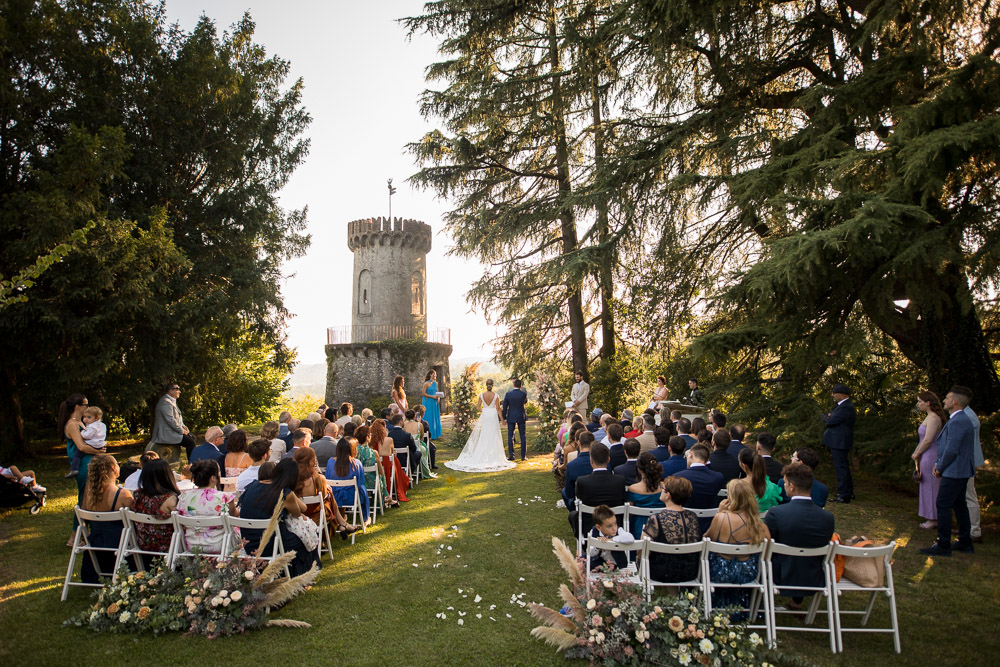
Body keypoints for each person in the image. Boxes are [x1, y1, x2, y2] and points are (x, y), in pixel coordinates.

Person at [763, 462, 835, 608]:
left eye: (785, 483)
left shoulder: (776, 513)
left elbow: (766, 545)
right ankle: (797, 602)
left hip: (778, 575)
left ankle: (759, 603)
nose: (784, 486)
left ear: (792, 486)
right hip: (813, 576)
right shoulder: (827, 517)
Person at [920, 386, 977, 557]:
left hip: (955, 470)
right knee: (960, 505)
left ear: (955, 401)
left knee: (943, 504)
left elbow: (952, 449)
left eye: (947, 397)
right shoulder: (958, 419)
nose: (944, 400)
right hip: (958, 470)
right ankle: (965, 542)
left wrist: (939, 466)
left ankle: (943, 544)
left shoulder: (959, 420)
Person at [238, 459, 321, 576]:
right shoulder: (284, 493)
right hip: (272, 543)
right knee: (303, 538)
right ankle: (303, 574)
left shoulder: (252, 486)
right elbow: (300, 511)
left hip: (248, 542)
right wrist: (290, 492)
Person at [705, 479, 771, 617]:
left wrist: (720, 512)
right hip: (749, 573)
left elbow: (706, 540)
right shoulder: (759, 525)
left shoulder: (721, 518)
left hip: (720, 572)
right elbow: (767, 552)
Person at [79, 454, 133, 583]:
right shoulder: (123, 494)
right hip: (120, 548)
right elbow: (133, 521)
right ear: (113, 468)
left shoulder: (89, 494)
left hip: (96, 546)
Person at [445, 379, 516, 473]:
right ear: (493, 385)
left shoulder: (482, 395)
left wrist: (484, 410)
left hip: (486, 415)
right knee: (493, 435)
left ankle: (484, 453)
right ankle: (493, 455)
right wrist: (502, 420)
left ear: (486, 385)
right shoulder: (496, 395)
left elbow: (478, 407)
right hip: (493, 416)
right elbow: (498, 409)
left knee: (485, 434)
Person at [59, 393, 103, 541]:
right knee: (83, 501)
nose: (88, 407)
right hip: (83, 466)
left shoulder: (81, 423)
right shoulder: (72, 424)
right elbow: (82, 447)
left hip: (89, 464)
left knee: (89, 500)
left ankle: (84, 534)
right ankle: (74, 537)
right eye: (86, 404)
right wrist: (99, 451)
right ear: (78, 407)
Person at [642, 476, 702, 583]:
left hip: (661, 573)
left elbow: (643, 551)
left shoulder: (655, 518)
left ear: (668, 495)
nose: (660, 490)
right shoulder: (693, 517)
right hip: (689, 572)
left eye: (662, 488)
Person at [295, 446, 358, 539]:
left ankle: (342, 524)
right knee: (329, 497)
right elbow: (324, 498)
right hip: (316, 516)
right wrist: (328, 490)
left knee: (329, 495)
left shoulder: (292, 479)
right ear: (312, 461)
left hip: (298, 514)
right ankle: (342, 524)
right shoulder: (319, 479)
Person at [177, 460, 238, 555]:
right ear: (213, 478)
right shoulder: (224, 497)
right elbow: (234, 517)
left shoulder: (183, 497)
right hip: (219, 544)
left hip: (191, 544)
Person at [569, 443, 627, 535]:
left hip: (590, 525)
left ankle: (584, 544)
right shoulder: (620, 481)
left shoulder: (582, 481)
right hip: (614, 525)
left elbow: (579, 499)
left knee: (573, 515)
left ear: (591, 460)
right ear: (608, 460)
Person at [130, 458, 179, 566]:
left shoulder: (138, 495)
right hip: (169, 548)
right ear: (167, 476)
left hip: (144, 545)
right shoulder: (170, 499)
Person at [913, 390, 945, 530]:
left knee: (932, 486)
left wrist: (917, 453)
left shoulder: (933, 418)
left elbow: (928, 439)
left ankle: (934, 518)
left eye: (920, 401)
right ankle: (929, 515)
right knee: (926, 485)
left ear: (928, 403)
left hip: (931, 454)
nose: (918, 404)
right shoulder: (928, 417)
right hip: (925, 454)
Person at [674, 444, 725, 533]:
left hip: (684, 524)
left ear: (690, 455)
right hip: (709, 524)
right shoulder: (718, 477)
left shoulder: (678, 477)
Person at [823, 383, 856, 503]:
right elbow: (826, 417)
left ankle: (844, 494)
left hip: (840, 442)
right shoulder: (839, 406)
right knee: (842, 466)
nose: (833, 395)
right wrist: (828, 417)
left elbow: (830, 421)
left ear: (842, 395)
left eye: (834, 393)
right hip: (837, 441)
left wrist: (828, 418)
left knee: (841, 467)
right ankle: (848, 491)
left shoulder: (846, 407)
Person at [325, 438, 371, 524]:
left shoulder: (330, 462)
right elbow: (360, 483)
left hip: (334, 498)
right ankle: (366, 518)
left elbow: (327, 480)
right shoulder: (356, 463)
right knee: (363, 490)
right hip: (352, 497)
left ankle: (341, 518)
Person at [960, 388, 984, 543]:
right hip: (963, 462)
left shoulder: (968, 418)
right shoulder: (966, 415)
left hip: (965, 462)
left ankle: (974, 531)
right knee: (964, 496)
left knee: (969, 496)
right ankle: (967, 527)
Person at [149, 383, 195, 460]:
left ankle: (193, 462)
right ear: (170, 391)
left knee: (192, 437)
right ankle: (192, 465)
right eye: (177, 389)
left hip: (172, 431)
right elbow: (170, 420)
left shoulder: (170, 401)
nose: (179, 391)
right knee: (191, 442)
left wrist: (184, 427)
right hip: (166, 434)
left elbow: (177, 417)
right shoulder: (165, 402)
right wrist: (182, 431)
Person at [627, 453, 665, 538]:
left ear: (639, 470)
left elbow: (629, 513)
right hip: (661, 526)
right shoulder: (664, 486)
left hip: (638, 529)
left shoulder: (633, 489)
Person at [588, 504, 636, 571]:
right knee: (581, 561)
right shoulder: (594, 531)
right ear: (599, 527)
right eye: (609, 526)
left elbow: (630, 538)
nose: (614, 528)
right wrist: (598, 545)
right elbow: (590, 553)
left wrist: (611, 539)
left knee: (590, 566)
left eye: (615, 523)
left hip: (613, 564)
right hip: (597, 559)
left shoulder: (619, 530)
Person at [355, 423, 393, 509]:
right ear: (367, 437)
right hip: (371, 482)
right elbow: (380, 472)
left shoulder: (354, 451)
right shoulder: (373, 453)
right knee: (381, 471)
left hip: (357, 481)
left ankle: (386, 496)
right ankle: (385, 496)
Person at [373, 419, 410, 502]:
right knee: (395, 460)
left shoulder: (371, 440)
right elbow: (392, 452)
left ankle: (405, 478)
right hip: (386, 464)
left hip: (375, 464)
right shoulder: (388, 440)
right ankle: (403, 480)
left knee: (394, 460)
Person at [67, 406, 107, 478]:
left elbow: (87, 435)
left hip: (92, 444)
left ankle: (74, 469)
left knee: (77, 454)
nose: (85, 419)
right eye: (84, 417)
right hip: (100, 444)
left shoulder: (92, 426)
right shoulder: (102, 425)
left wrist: (81, 433)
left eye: (88, 417)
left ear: (96, 418)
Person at [561, 432, 595, 509]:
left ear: (578, 443)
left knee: (564, 491)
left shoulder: (571, 466)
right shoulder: (601, 462)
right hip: (599, 498)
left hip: (581, 500)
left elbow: (569, 493)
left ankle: (574, 512)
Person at [502, 378, 529, 461]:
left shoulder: (508, 394)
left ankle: (511, 455)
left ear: (513, 385)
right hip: (521, 415)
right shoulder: (523, 394)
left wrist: (504, 417)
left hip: (511, 416)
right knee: (522, 436)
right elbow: (525, 402)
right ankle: (523, 456)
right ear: (520, 386)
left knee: (510, 436)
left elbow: (505, 406)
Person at [404, 409, 433, 479]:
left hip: (407, 447)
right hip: (417, 446)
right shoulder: (419, 424)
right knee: (423, 449)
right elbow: (422, 437)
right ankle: (423, 470)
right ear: (415, 416)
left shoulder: (404, 424)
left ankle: (413, 470)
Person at [413, 404, 438, 469]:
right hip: (423, 442)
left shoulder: (409, 423)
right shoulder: (424, 423)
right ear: (422, 414)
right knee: (432, 448)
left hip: (413, 442)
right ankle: (431, 464)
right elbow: (429, 435)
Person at [421, 369, 444, 439]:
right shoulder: (426, 384)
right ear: (431, 375)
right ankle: (428, 434)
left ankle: (435, 434)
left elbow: (436, 392)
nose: (435, 375)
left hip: (435, 403)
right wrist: (432, 396)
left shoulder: (436, 383)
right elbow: (423, 393)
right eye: (434, 374)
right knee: (429, 416)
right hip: (428, 402)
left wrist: (438, 398)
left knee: (435, 417)